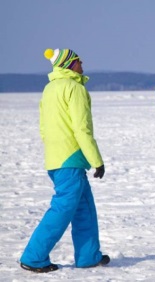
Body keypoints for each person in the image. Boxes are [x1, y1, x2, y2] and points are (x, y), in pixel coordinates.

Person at [20, 48, 109, 273]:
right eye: (79, 60)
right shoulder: (75, 88)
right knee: (62, 209)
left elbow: (43, 128)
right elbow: (82, 128)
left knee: (85, 209)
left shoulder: (49, 89)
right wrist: (96, 160)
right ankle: (33, 257)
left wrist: (56, 152)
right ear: (69, 64)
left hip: (57, 158)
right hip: (71, 158)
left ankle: (89, 256)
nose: (83, 63)